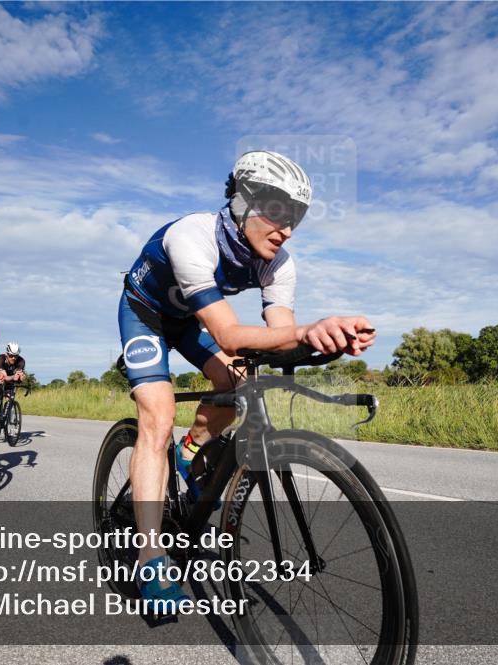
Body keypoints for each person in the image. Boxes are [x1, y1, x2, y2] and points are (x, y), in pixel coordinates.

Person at [117, 150, 376, 608]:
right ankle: (150, 555)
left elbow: (276, 338)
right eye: (278, 214)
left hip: (188, 321)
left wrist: (323, 341)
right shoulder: (191, 237)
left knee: (237, 385)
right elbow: (230, 335)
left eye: (296, 216)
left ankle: (190, 451)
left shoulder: (279, 263)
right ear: (242, 203)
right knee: (156, 417)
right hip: (146, 315)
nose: (288, 228)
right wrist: (303, 331)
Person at [0, 342, 26, 419]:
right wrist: (14, 376)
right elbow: (5, 377)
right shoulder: (0, 359)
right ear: (6, 354)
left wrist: (22, 376)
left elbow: (19, 373)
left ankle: (7, 414)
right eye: (11, 356)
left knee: (10, 399)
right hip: (1, 379)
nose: (13, 358)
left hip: (11, 382)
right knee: (0, 382)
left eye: (16, 356)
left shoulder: (21, 361)